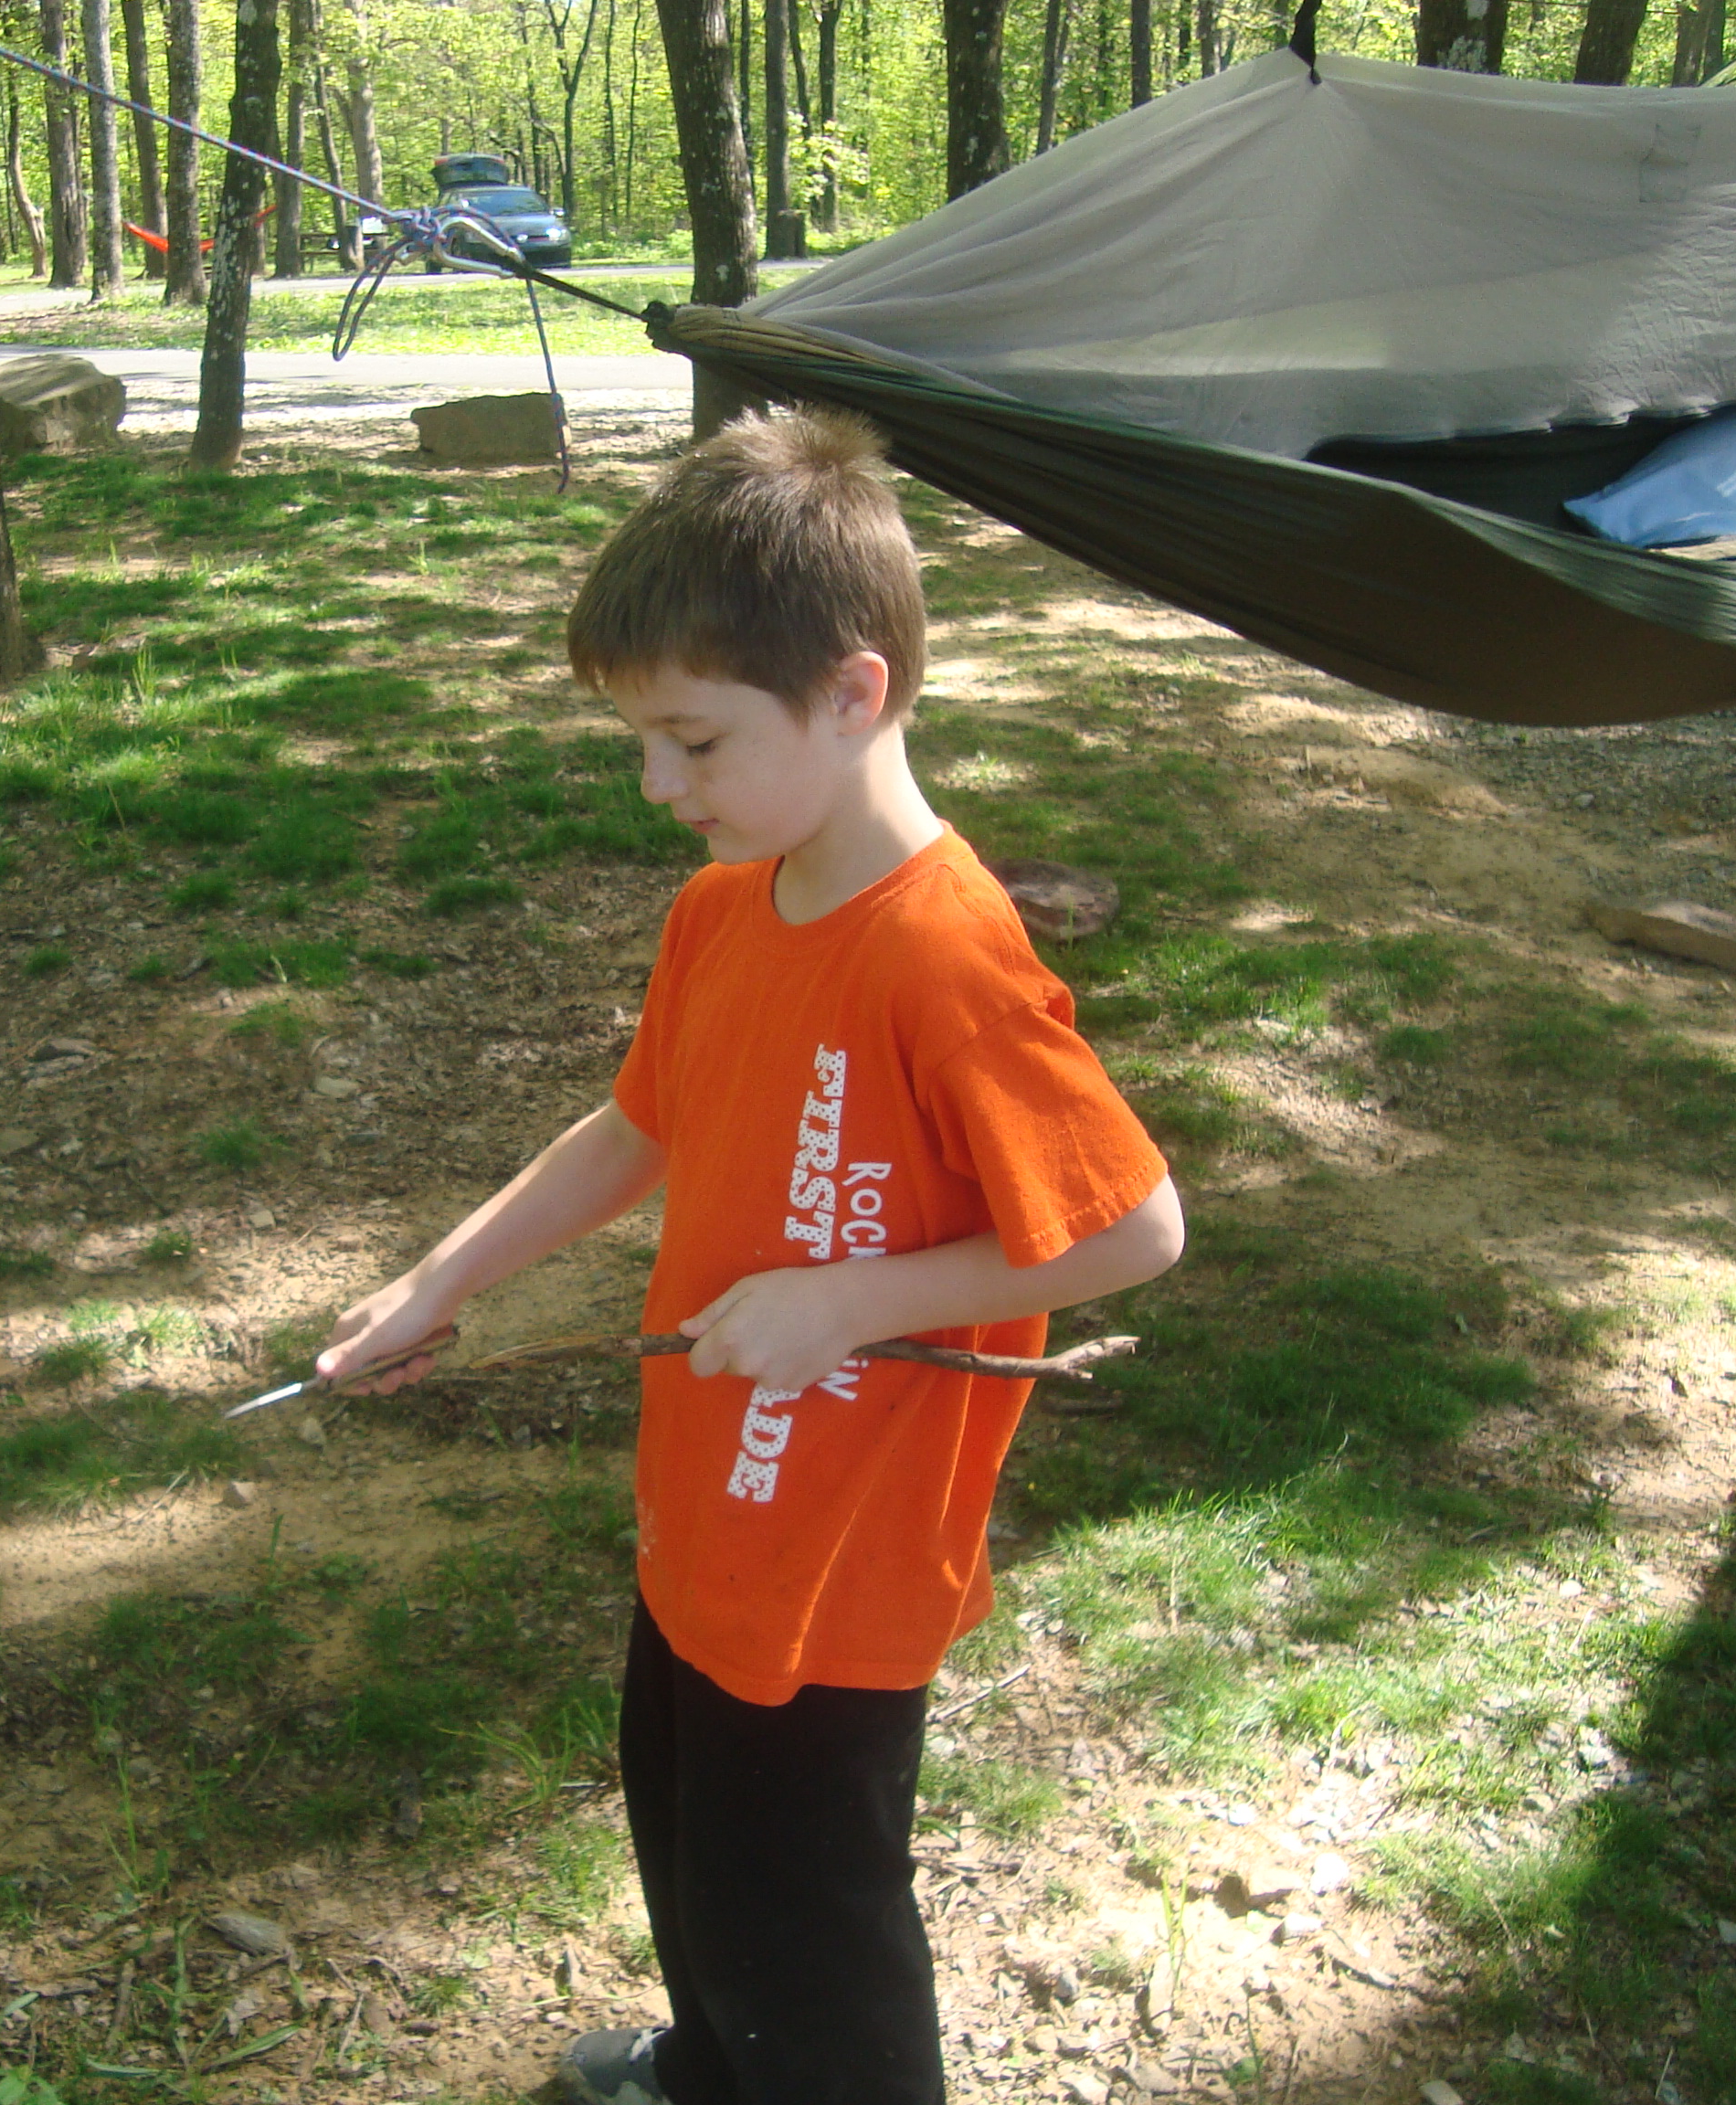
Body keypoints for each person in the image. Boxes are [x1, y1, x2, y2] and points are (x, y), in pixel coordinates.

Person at [314, 407, 1185, 2105]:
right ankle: (719, 2067)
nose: (659, 785)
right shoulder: (725, 906)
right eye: (645, 739)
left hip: (844, 1549)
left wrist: (850, 1299)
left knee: (811, 1918)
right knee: (692, 1837)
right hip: (712, 1499)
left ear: (853, 693)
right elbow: (635, 1129)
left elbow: (1133, 1225)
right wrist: (443, 1280)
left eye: (693, 740)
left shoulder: (942, 956)